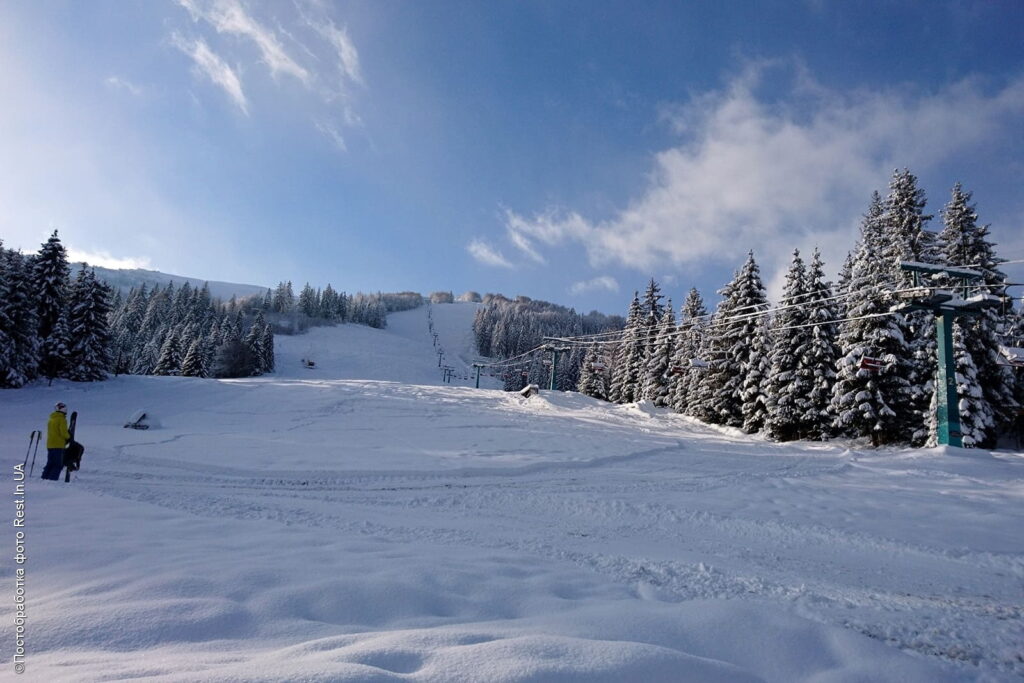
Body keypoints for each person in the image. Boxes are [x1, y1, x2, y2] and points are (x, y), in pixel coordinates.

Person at [42, 402, 71, 481]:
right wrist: (69, 437)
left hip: (50, 444)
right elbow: (63, 432)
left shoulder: (51, 419)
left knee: (50, 463)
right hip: (58, 445)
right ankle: (52, 480)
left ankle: (44, 478)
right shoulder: (62, 419)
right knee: (58, 465)